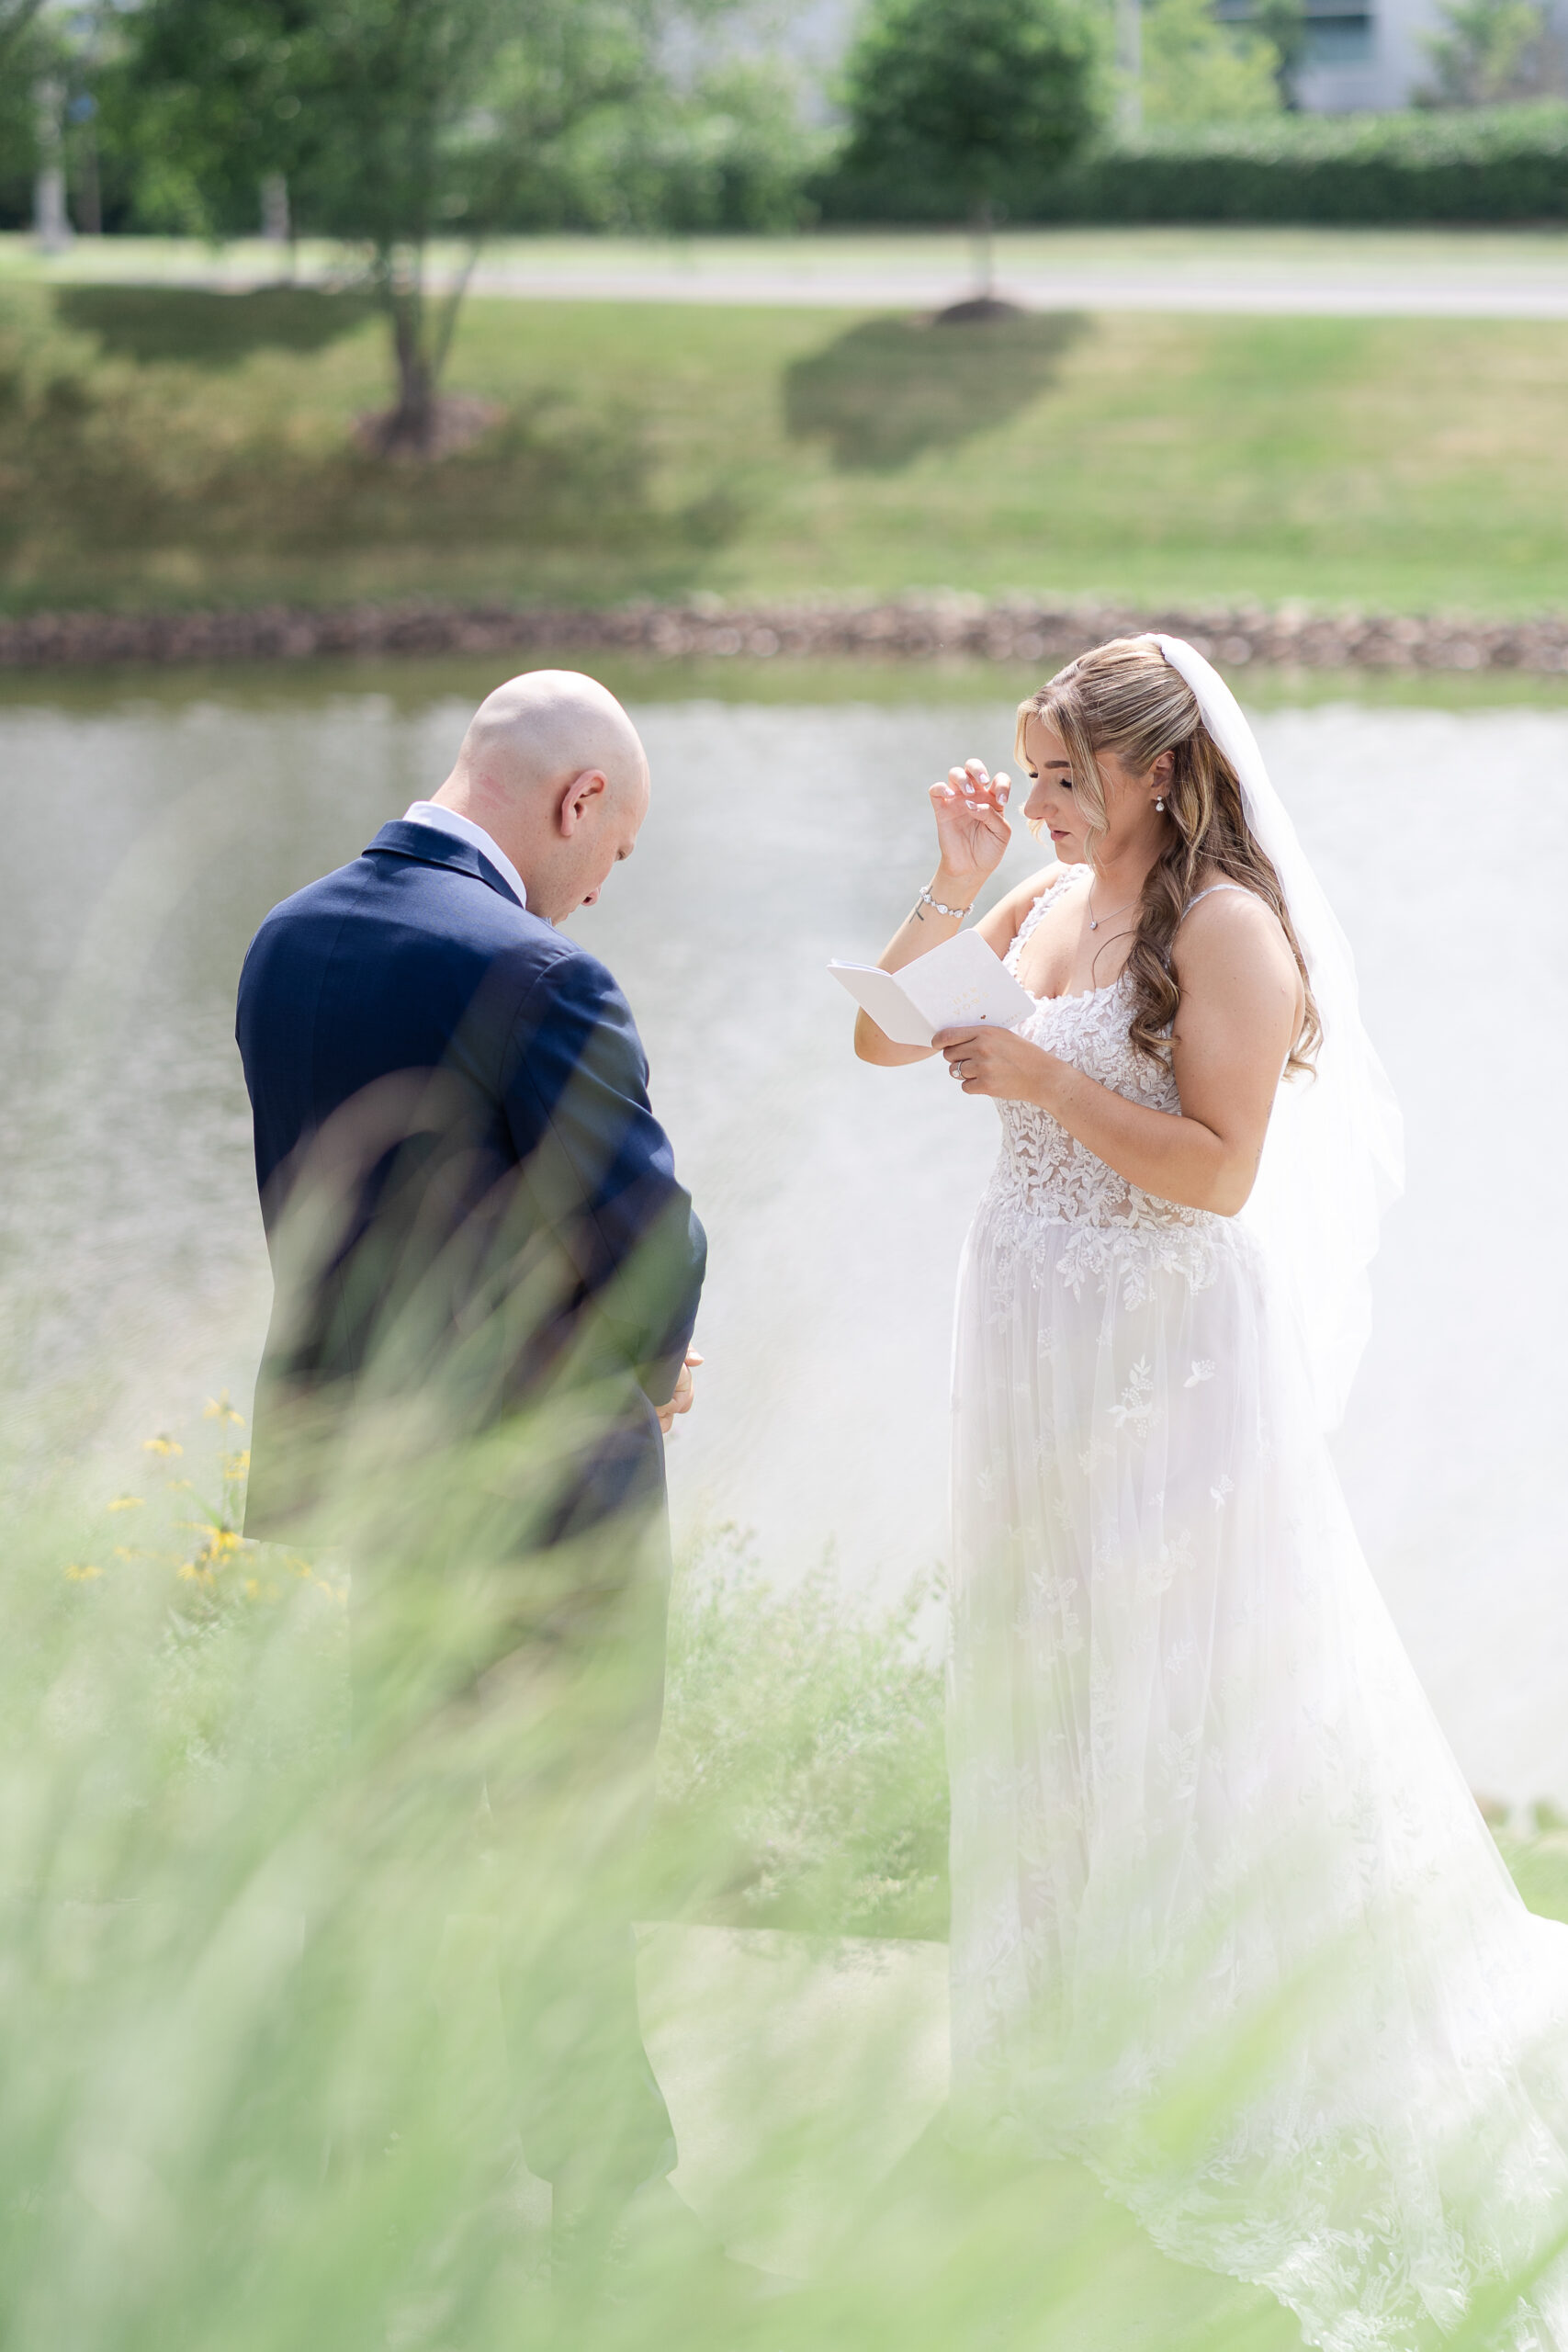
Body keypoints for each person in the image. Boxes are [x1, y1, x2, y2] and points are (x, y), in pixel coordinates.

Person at [854, 635, 1568, 2349]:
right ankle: (1072, 2036)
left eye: (1065, 778)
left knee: (1191, 1686)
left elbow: (1220, 1172)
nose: (1039, 803)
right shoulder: (1039, 900)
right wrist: (946, 896)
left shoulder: (1226, 928)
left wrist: (1043, 1080)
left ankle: (1221, 2047)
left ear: (1159, 770)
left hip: (1162, 1355)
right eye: (1029, 775)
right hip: (1032, 1340)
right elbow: (885, 1045)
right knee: (1060, 1672)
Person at [235, 667, 705, 2272]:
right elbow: (647, 1233)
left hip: (360, 1466)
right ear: (579, 803)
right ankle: (605, 2196)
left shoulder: (285, 938)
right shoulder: (537, 967)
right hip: (540, 1482)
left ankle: (371, 2164)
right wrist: (653, 1358)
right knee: (575, 1831)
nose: (601, 883)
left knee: (404, 1826)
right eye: (616, 850)